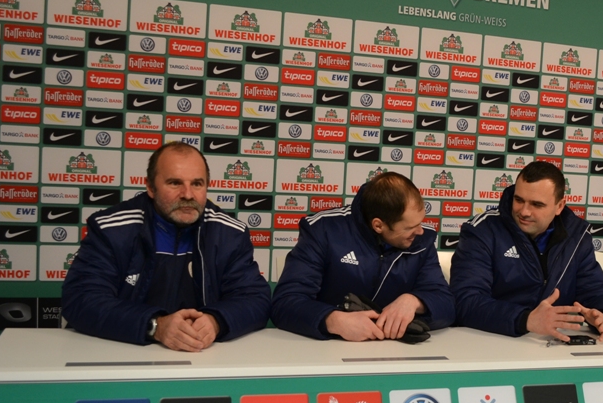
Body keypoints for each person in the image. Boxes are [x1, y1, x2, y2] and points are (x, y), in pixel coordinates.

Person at [61, 142, 271, 351]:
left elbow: (255, 299)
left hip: (202, 356)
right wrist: (156, 326)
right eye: (175, 183)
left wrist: (216, 321)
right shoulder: (111, 229)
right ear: (150, 187)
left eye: (197, 184)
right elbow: (81, 299)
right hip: (121, 353)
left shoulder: (229, 233)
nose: (187, 194)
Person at [451, 161, 603, 342]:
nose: (524, 211)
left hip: (550, 348)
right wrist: (525, 320)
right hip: (490, 342)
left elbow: (596, 289)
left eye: (536, 204)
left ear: (559, 206)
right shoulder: (482, 231)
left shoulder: (576, 237)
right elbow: (465, 301)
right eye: (519, 200)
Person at [271, 171, 454, 341]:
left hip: (397, 352)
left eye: (421, 221)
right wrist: (333, 320)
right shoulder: (323, 230)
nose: (420, 231)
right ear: (378, 225)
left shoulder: (422, 240)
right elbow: (286, 303)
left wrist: (415, 301)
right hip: (330, 348)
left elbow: (446, 304)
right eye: (410, 227)